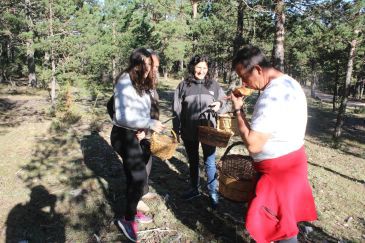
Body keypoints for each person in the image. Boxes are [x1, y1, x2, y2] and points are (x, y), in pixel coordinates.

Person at [230, 45, 317, 243]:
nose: (244, 83)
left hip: (278, 174)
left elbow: (253, 145)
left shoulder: (270, 96)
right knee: (284, 222)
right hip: (293, 164)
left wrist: (238, 111)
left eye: (244, 76)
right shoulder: (290, 82)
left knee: (278, 227)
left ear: (258, 70)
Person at [110, 47, 165, 242]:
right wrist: (148, 123)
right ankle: (127, 219)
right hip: (123, 134)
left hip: (136, 134)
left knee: (136, 177)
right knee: (139, 176)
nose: (152, 69)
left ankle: (132, 210)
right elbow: (121, 116)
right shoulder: (125, 80)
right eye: (149, 64)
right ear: (137, 64)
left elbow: (141, 111)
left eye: (154, 65)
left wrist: (144, 128)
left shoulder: (144, 82)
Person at [172, 55, 230, 208]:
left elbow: (225, 102)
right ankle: (194, 189)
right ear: (192, 67)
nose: (201, 70)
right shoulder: (183, 85)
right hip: (188, 130)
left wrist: (219, 104)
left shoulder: (214, 85)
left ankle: (212, 192)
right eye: (199, 67)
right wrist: (175, 129)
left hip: (209, 131)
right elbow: (176, 109)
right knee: (193, 161)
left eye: (204, 68)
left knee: (210, 162)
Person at [136, 49, 160, 213]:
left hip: (148, 131)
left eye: (157, 66)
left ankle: (143, 191)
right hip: (137, 132)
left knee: (147, 160)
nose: (156, 69)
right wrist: (138, 129)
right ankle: (135, 200)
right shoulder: (133, 84)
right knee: (136, 166)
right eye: (153, 66)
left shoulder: (149, 83)